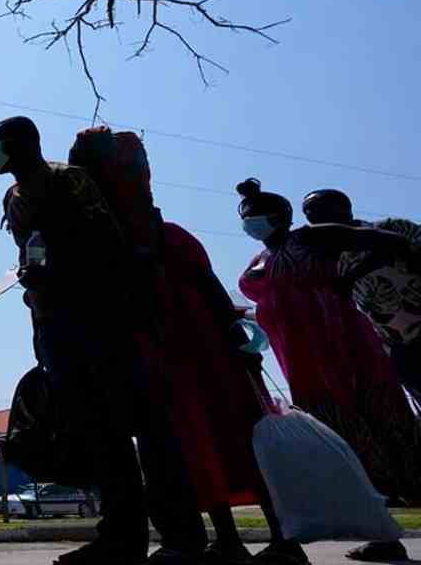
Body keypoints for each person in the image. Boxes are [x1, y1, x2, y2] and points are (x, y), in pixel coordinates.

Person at [0, 116, 206, 565]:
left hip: (102, 322)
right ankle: (120, 538)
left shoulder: (69, 180)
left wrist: (57, 262)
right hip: (53, 326)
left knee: (146, 427)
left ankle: (182, 536)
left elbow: (107, 244)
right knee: (100, 437)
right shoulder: (13, 196)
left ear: (26, 143)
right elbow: (30, 248)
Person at [236, 179, 419, 563]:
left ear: (280, 216)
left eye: (257, 216)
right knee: (341, 439)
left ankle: (387, 531)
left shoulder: (313, 237)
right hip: (301, 359)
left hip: (342, 346)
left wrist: (353, 279)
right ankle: (381, 530)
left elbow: (393, 242)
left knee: (377, 429)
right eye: (246, 218)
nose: (251, 223)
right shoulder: (260, 260)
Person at [155, 223, 304, 565]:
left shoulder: (167, 236)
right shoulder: (130, 237)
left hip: (211, 353)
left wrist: (235, 337)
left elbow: (209, 285)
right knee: (200, 448)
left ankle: (284, 540)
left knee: (245, 443)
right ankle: (227, 539)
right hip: (176, 356)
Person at [302, 189, 421, 402]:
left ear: (342, 208)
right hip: (400, 348)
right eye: (307, 212)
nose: (311, 216)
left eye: (316, 208)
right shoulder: (330, 261)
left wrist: (358, 271)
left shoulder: (391, 227)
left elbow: (405, 248)